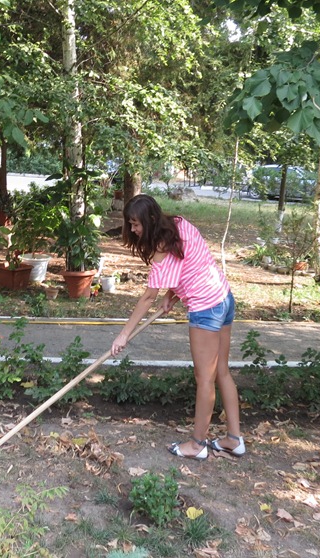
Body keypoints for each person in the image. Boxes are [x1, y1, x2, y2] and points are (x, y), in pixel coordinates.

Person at [111, 194, 244, 460]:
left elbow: (147, 297)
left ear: (150, 219)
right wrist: (172, 294)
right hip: (223, 298)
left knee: (204, 378)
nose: (133, 229)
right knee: (221, 371)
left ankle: (197, 445)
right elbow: (190, 263)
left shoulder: (161, 249)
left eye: (136, 224)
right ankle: (233, 439)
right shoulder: (180, 224)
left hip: (206, 309)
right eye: (130, 224)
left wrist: (123, 335)